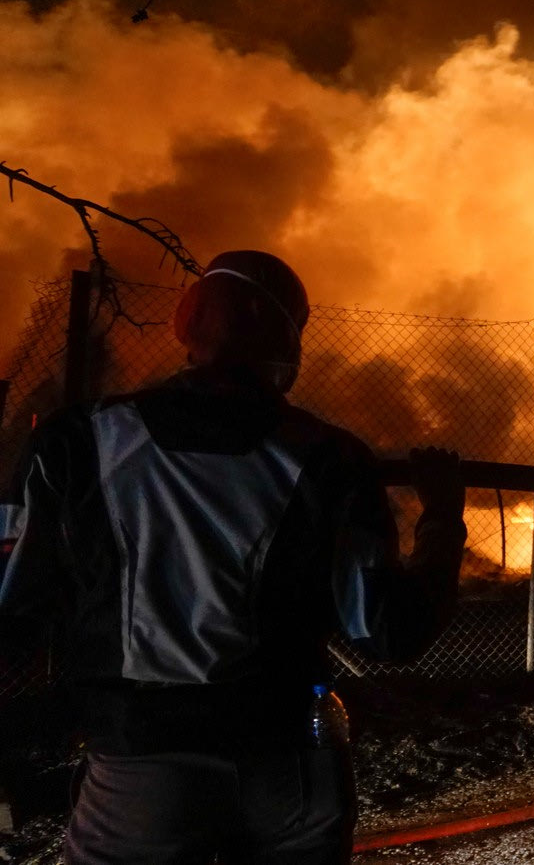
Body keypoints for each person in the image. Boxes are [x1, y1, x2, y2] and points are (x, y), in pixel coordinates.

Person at [0, 251, 467, 863]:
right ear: (284, 339)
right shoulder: (332, 459)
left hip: (143, 769)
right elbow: (389, 631)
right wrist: (442, 518)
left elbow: (13, 604)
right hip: (289, 766)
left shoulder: (74, 443)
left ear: (186, 319)